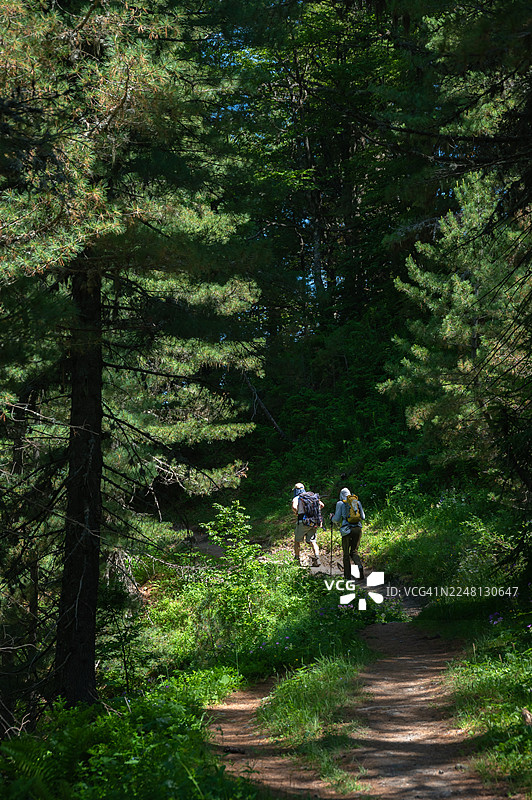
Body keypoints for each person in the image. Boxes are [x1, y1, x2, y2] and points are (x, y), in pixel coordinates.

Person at [331, 487, 365, 580]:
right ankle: (360, 567)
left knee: (346, 554)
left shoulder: (340, 503)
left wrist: (332, 518)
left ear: (341, 495)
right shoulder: (357, 502)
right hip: (358, 528)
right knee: (354, 551)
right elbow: (363, 517)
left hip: (347, 530)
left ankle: (347, 576)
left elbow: (336, 519)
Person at [292, 482, 323, 567]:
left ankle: (297, 559)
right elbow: (322, 505)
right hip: (313, 522)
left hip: (303, 522)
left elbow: (294, 507)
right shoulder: (312, 496)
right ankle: (318, 559)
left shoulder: (297, 498)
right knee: (313, 541)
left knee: (297, 541)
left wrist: (297, 512)